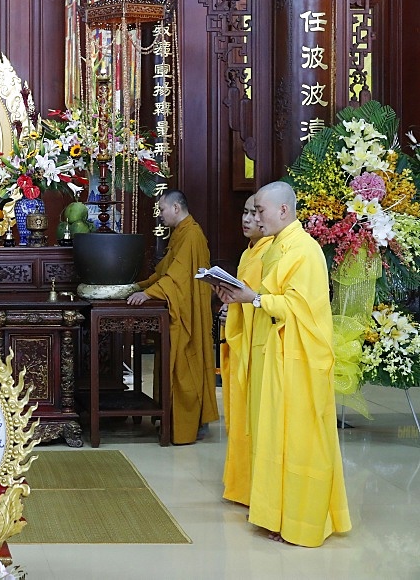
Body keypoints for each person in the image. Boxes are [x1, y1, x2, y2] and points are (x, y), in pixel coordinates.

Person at [214, 181, 351, 546]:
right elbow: (265, 297)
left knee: (298, 440)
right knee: (271, 437)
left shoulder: (304, 250)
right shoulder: (274, 248)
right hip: (269, 356)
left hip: (295, 359)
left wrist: (254, 298)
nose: (255, 217)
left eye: (260, 211)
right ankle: (273, 513)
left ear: (283, 211)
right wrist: (238, 298)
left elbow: (299, 308)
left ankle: (301, 522)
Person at [127, 189, 218, 445]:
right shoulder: (181, 233)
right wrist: (141, 286)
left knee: (185, 363)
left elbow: (177, 277)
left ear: (176, 208)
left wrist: (149, 294)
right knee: (176, 364)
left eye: (163, 210)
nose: (161, 216)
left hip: (189, 311)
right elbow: (166, 269)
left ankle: (191, 423)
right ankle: (175, 418)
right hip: (182, 306)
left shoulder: (192, 234)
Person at [220, 195, 273, 506]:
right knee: (239, 417)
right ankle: (240, 484)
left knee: (252, 419)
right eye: (245, 212)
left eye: (256, 213)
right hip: (241, 337)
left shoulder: (271, 253)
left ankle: (252, 486)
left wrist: (240, 307)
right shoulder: (249, 253)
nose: (249, 219)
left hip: (257, 343)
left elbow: (265, 300)